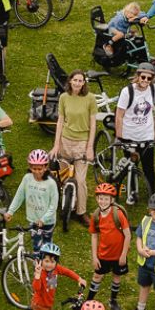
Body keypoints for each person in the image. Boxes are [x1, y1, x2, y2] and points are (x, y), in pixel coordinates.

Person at [52, 70, 98, 218]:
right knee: (63, 177)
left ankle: (81, 211)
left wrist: (90, 147)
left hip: (82, 143)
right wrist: (56, 145)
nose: (78, 83)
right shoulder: (64, 97)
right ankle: (65, 204)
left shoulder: (90, 99)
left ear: (84, 83)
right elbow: (60, 121)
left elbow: (93, 124)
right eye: (75, 80)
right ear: (70, 81)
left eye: (80, 80)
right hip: (65, 141)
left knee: (80, 180)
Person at [114, 64, 155, 199]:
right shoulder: (127, 91)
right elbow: (119, 115)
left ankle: (152, 194)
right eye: (143, 77)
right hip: (129, 136)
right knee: (130, 166)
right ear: (138, 76)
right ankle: (132, 192)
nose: (145, 80)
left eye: (149, 78)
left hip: (146, 135)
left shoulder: (153, 89)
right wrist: (119, 136)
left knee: (148, 167)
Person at [4, 149, 59, 254]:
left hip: (48, 222)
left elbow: (53, 205)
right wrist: (10, 211)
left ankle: (48, 265)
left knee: (48, 246)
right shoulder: (27, 179)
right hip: (34, 220)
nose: (37, 172)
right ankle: (37, 267)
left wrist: (43, 219)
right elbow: (19, 196)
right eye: (34, 169)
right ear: (30, 167)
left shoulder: (51, 184)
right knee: (37, 246)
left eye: (40, 169)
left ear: (46, 167)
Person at [86, 181, 130, 310]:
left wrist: (123, 255)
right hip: (103, 255)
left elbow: (127, 235)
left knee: (117, 276)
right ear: (97, 199)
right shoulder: (96, 216)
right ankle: (88, 302)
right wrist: (94, 257)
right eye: (100, 198)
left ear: (111, 200)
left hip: (118, 256)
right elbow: (94, 236)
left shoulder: (118, 214)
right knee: (97, 277)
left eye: (106, 199)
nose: (103, 201)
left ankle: (113, 300)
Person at [100, 2, 146, 70]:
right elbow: (122, 31)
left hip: (121, 28)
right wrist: (128, 33)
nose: (133, 17)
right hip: (112, 29)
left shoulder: (130, 14)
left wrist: (143, 17)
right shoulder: (120, 19)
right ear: (127, 12)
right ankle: (108, 44)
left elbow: (142, 13)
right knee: (121, 34)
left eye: (135, 15)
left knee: (134, 33)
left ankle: (136, 54)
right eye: (131, 15)